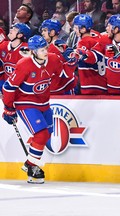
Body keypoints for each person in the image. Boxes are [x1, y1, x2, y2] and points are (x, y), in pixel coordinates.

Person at [2, 35, 72, 184]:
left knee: (46, 135)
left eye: (45, 48)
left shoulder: (53, 58)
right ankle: (32, 165)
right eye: (41, 50)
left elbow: (64, 75)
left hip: (44, 103)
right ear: (33, 51)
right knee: (41, 134)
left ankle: (31, 165)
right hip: (25, 103)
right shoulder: (24, 64)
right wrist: (8, 107)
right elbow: (9, 87)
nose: (45, 52)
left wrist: (71, 63)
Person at [64, 14, 106, 95]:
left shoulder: (84, 42)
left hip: (91, 83)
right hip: (102, 81)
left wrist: (72, 56)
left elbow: (82, 56)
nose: (74, 29)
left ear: (83, 29)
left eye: (76, 28)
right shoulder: (96, 35)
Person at [39, 18, 77, 95]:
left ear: (52, 32)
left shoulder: (58, 45)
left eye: (45, 30)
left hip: (64, 86)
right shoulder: (47, 46)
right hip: (54, 85)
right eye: (42, 31)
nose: (42, 33)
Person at [0, 23, 31, 92]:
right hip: (6, 86)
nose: (11, 30)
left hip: (21, 88)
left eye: (15, 29)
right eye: (12, 28)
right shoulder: (3, 46)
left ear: (20, 35)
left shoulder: (27, 50)